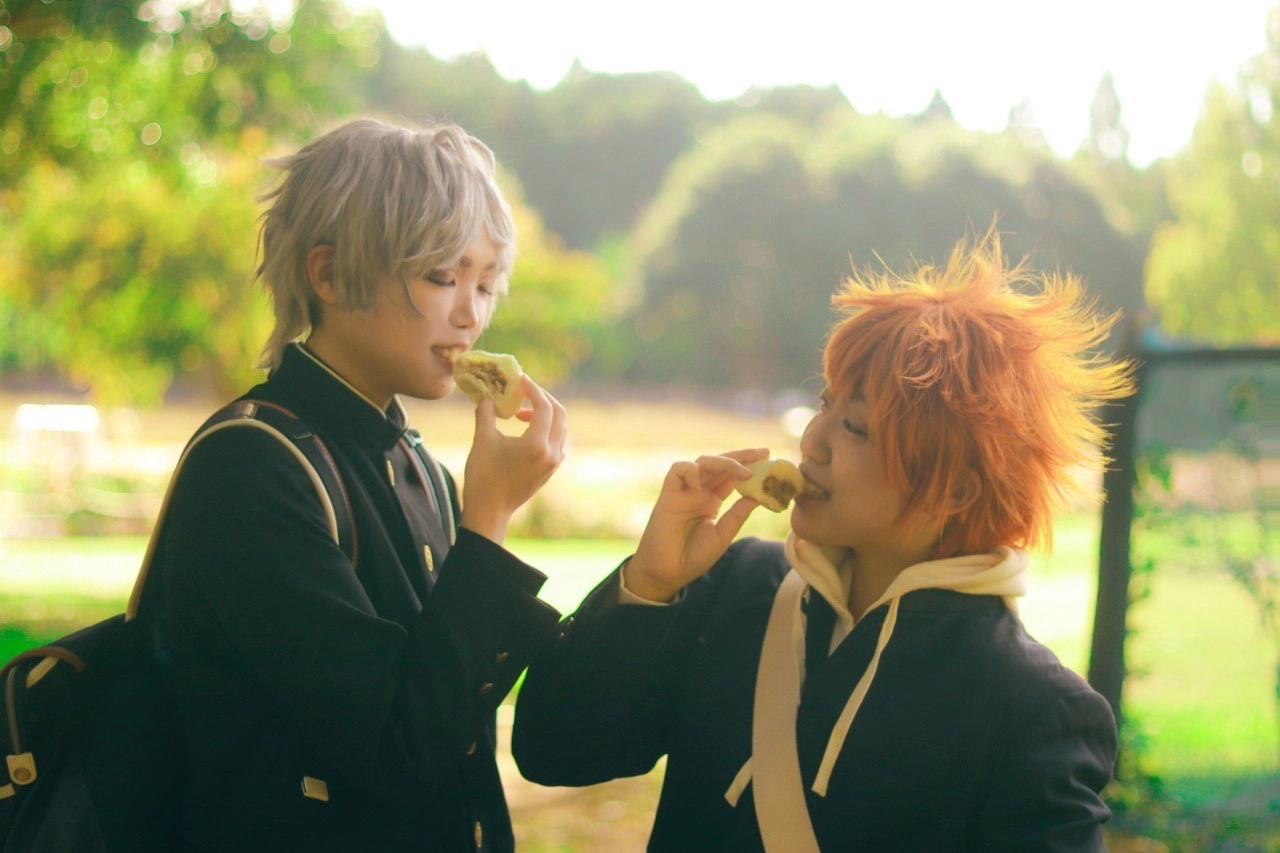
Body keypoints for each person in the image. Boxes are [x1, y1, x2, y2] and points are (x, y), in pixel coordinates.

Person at [513, 227, 1131, 851]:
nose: (812, 440)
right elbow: (554, 752)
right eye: (825, 404)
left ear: (954, 490)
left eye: (856, 427)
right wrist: (648, 585)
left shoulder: (1033, 709)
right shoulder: (731, 585)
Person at [152, 118, 567, 851]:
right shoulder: (250, 465)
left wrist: (652, 581)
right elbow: (396, 747)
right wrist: (490, 521)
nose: (470, 314)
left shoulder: (419, 466)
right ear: (330, 274)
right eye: (441, 276)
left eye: (485, 283)